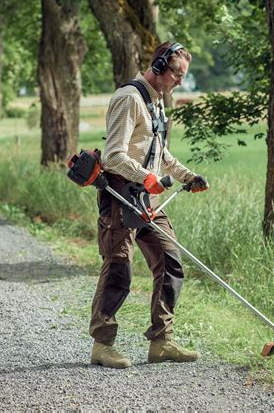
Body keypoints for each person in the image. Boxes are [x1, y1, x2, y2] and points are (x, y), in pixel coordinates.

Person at [89, 42, 209, 368]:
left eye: (183, 76)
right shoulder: (129, 99)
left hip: (147, 196)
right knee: (119, 268)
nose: (180, 82)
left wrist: (186, 176)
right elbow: (114, 155)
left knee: (170, 261)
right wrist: (146, 177)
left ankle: (161, 342)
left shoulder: (157, 103)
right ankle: (102, 345)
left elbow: (161, 154)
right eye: (176, 74)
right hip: (119, 195)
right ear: (157, 67)